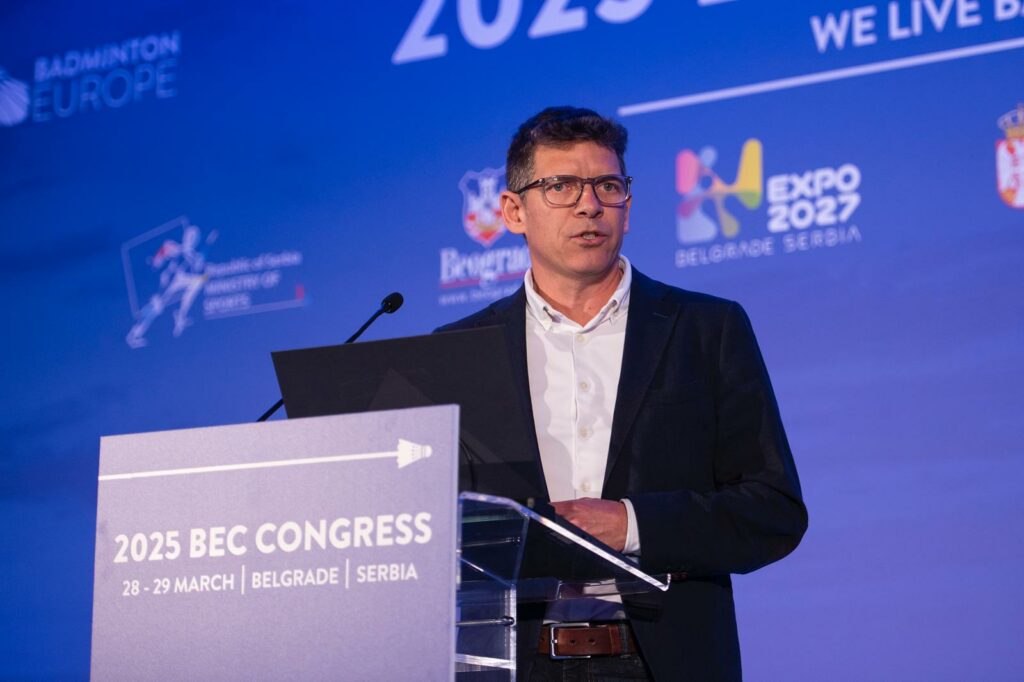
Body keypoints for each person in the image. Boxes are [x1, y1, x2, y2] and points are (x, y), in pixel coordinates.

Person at [437, 107, 807, 681]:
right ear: (513, 211)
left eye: (607, 186)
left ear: (627, 208)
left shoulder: (705, 329)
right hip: (509, 662)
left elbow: (772, 511)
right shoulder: (460, 350)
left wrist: (631, 524)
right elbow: (435, 527)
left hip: (665, 661)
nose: (589, 205)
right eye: (561, 186)